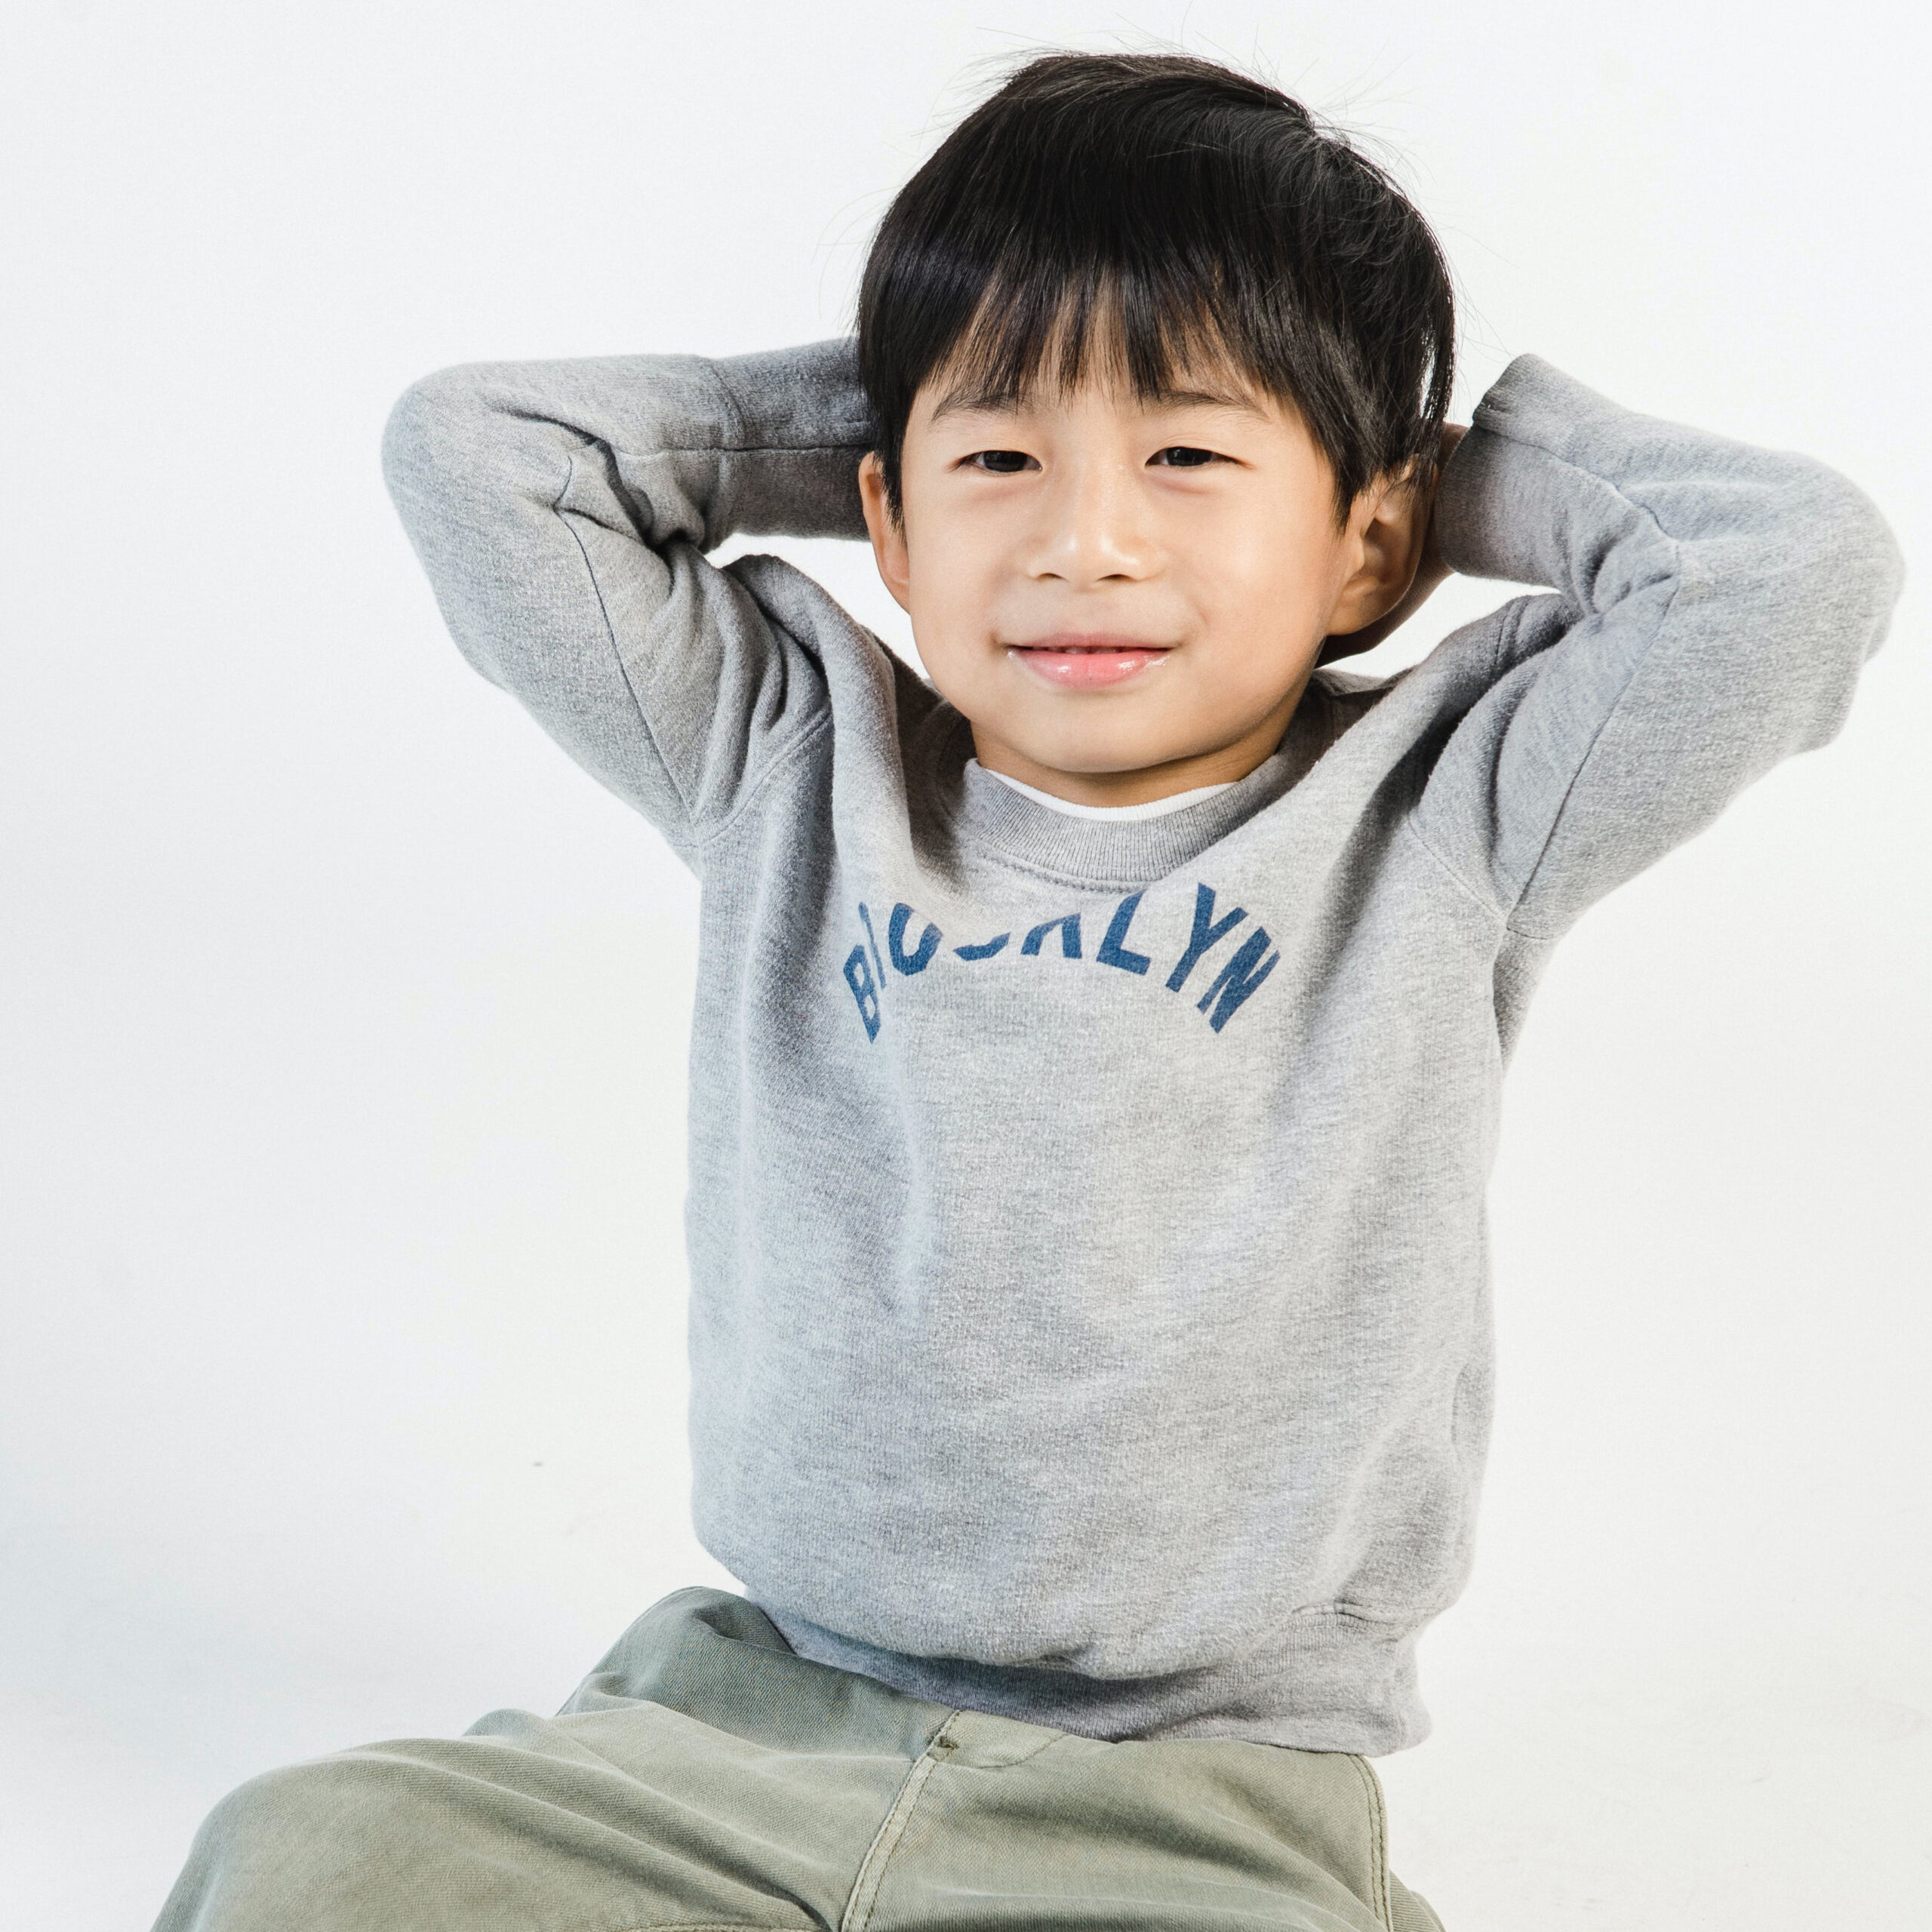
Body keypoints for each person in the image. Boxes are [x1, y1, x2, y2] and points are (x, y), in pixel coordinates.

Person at [152, 51, 1903, 1932]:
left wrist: (1410, 456)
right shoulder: (780, 755)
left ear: (1371, 540)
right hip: (743, 1729)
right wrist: (918, 373)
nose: (1083, 540)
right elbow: (477, 454)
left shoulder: (1452, 808)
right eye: (998, 462)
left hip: (1199, 1789)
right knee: (306, 1852)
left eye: (1187, 455)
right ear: (886, 524)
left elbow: (1791, 570)